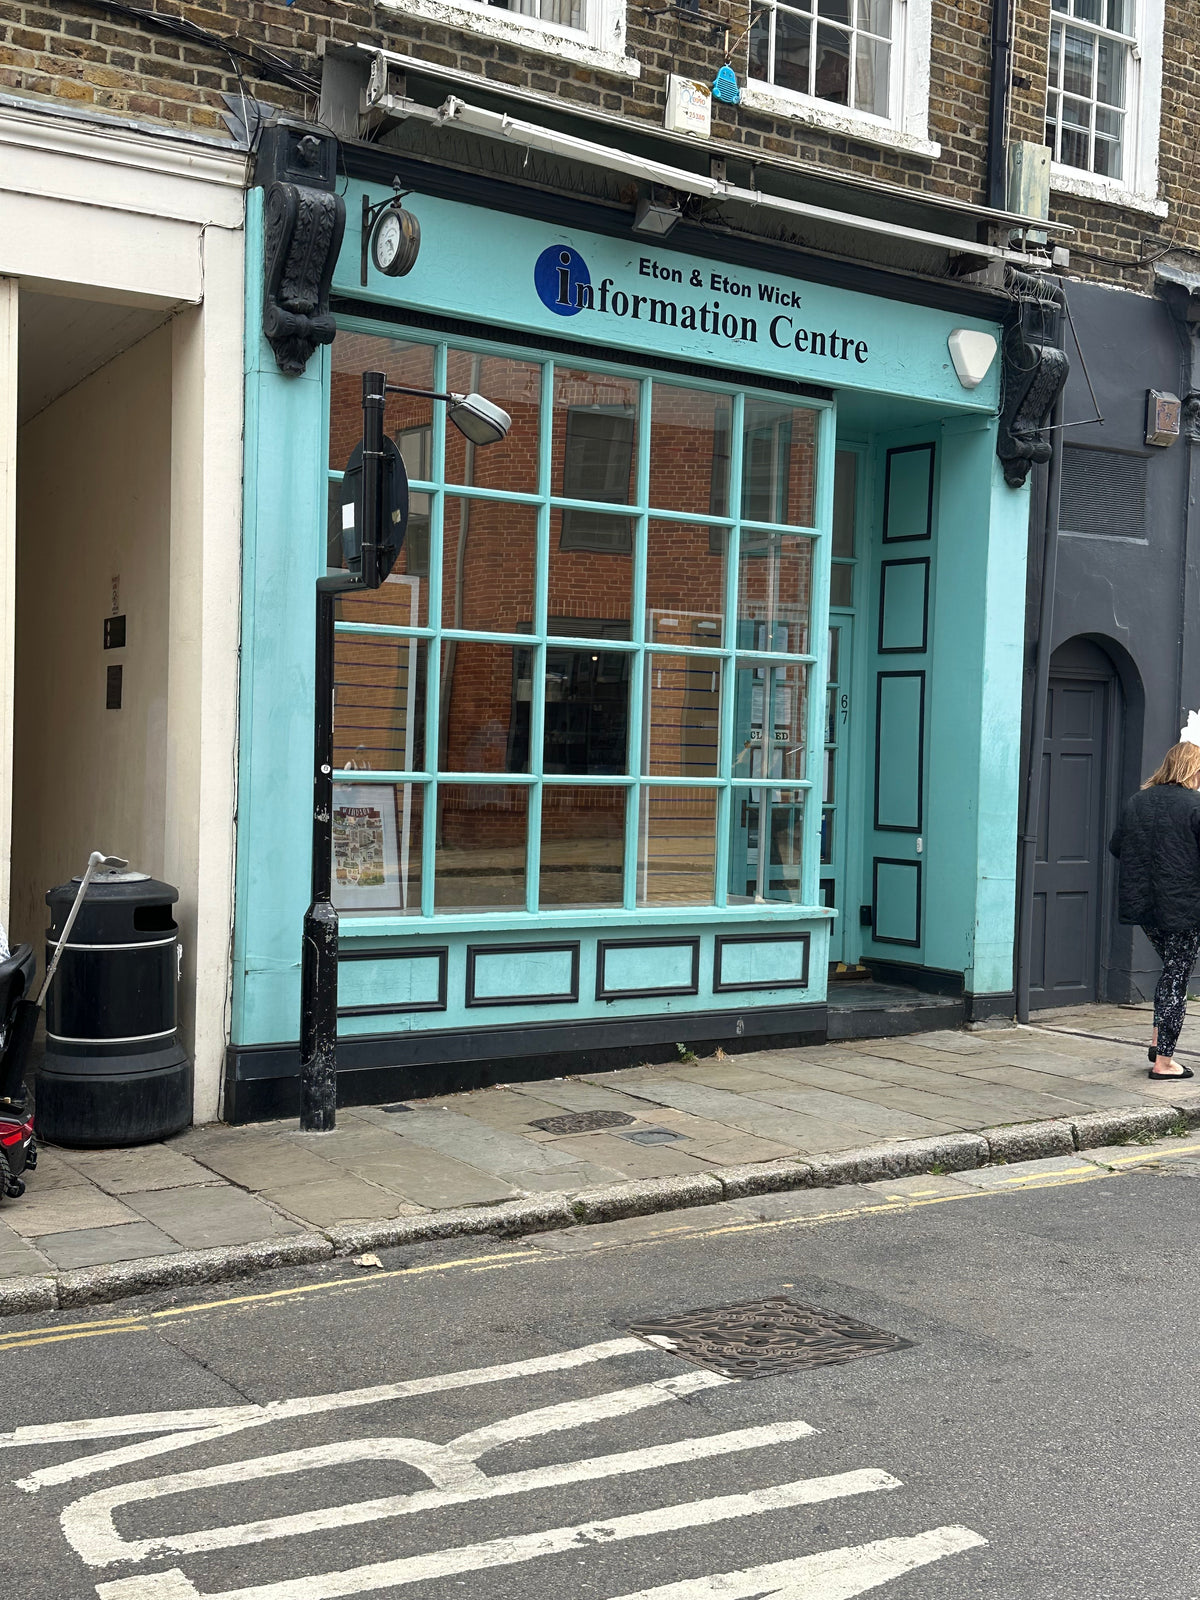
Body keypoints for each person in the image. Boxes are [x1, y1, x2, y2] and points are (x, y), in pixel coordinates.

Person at [1109, 740, 1200, 1079]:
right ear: (1192, 769)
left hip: (1146, 906)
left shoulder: (1138, 802)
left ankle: (1156, 1040)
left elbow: (1116, 846)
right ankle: (1164, 1062)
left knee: (1171, 970)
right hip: (1184, 907)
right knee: (1177, 976)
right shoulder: (1195, 805)